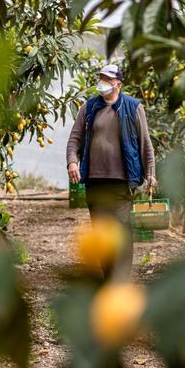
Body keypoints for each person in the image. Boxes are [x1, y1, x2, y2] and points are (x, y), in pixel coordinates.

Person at [66, 64, 156, 280]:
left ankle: (121, 281)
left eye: (107, 79)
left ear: (118, 83)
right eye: (101, 78)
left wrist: (151, 172)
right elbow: (74, 139)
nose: (103, 82)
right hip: (95, 182)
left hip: (121, 182)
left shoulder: (133, 107)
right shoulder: (89, 108)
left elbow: (146, 144)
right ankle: (109, 279)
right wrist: (72, 162)